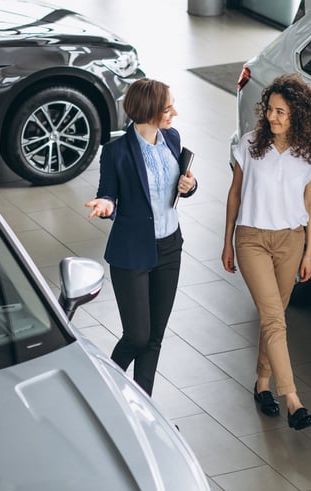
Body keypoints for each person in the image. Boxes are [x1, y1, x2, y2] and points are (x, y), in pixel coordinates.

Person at [222, 74, 311, 430]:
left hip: (290, 242)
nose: (273, 117)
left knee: (274, 317)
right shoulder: (251, 145)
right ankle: (292, 399)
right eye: (270, 110)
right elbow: (235, 194)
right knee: (274, 318)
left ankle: (262, 383)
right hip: (251, 239)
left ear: (298, 115)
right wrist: (227, 242)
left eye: (281, 112)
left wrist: (310, 252)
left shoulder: (309, 154)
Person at [85, 78, 197, 396]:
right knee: (136, 336)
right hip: (132, 253)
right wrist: (106, 205)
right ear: (148, 111)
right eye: (167, 107)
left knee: (154, 337)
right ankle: (105, 392)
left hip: (169, 247)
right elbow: (107, 194)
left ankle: (143, 405)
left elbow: (182, 184)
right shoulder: (116, 152)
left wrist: (191, 186)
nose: (174, 112)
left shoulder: (172, 138)